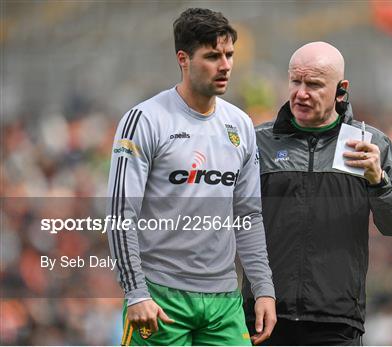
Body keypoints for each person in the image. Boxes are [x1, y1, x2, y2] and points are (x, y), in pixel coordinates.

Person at [106, 8, 276, 346]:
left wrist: (263, 289)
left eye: (229, 55)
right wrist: (136, 292)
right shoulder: (145, 120)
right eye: (212, 56)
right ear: (183, 59)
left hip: (224, 301)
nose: (225, 65)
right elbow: (120, 213)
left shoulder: (240, 124)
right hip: (159, 299)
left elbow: (248, 216)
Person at [242, 41, 392, 345]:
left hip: (337, 322)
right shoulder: (258, 143)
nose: (301, 92)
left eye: (314, 84)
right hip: (262, 317)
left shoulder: (369, 144)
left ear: (341, 88)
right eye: (295, 81)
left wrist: (379, 181)